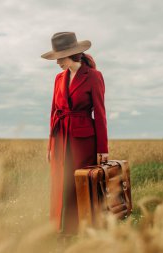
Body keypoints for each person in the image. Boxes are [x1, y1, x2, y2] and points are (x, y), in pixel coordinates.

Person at [41, 32, 109, 236]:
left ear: (71, 54)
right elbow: (54, 112)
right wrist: (50, 145)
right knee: (61, 184)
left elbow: (100, 113)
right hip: (60, 138)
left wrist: (103, 149)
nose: (57, 63)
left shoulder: (94, 76)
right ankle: (62, 230)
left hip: (84, 141)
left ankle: (86, 230)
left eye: (59, 58)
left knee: (81, 184)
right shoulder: (58, 78)